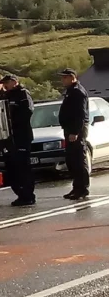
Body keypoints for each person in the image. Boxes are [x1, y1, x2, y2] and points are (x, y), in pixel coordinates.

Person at [2, 74, 36, 206]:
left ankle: (28, 195)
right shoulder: (5, 96)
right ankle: (21, 194)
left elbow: (27, 112)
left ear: (14, 82)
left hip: (22, 136)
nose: (5, 85)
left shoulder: (22, 94)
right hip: (11, 138)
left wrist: (14, 121)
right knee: (13, 168)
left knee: (24, 167)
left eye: (7, 82)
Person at [58, 68, 90, 200]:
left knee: (78, 160)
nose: (63, 80)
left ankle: (82, 188)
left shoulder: (78, 92)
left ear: (72, 77)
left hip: (76, 130)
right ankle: (77, 187)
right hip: (69, 129)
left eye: (65, 77)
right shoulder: (70, 91)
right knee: (71, 160)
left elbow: (80, 114)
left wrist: (75, 131)